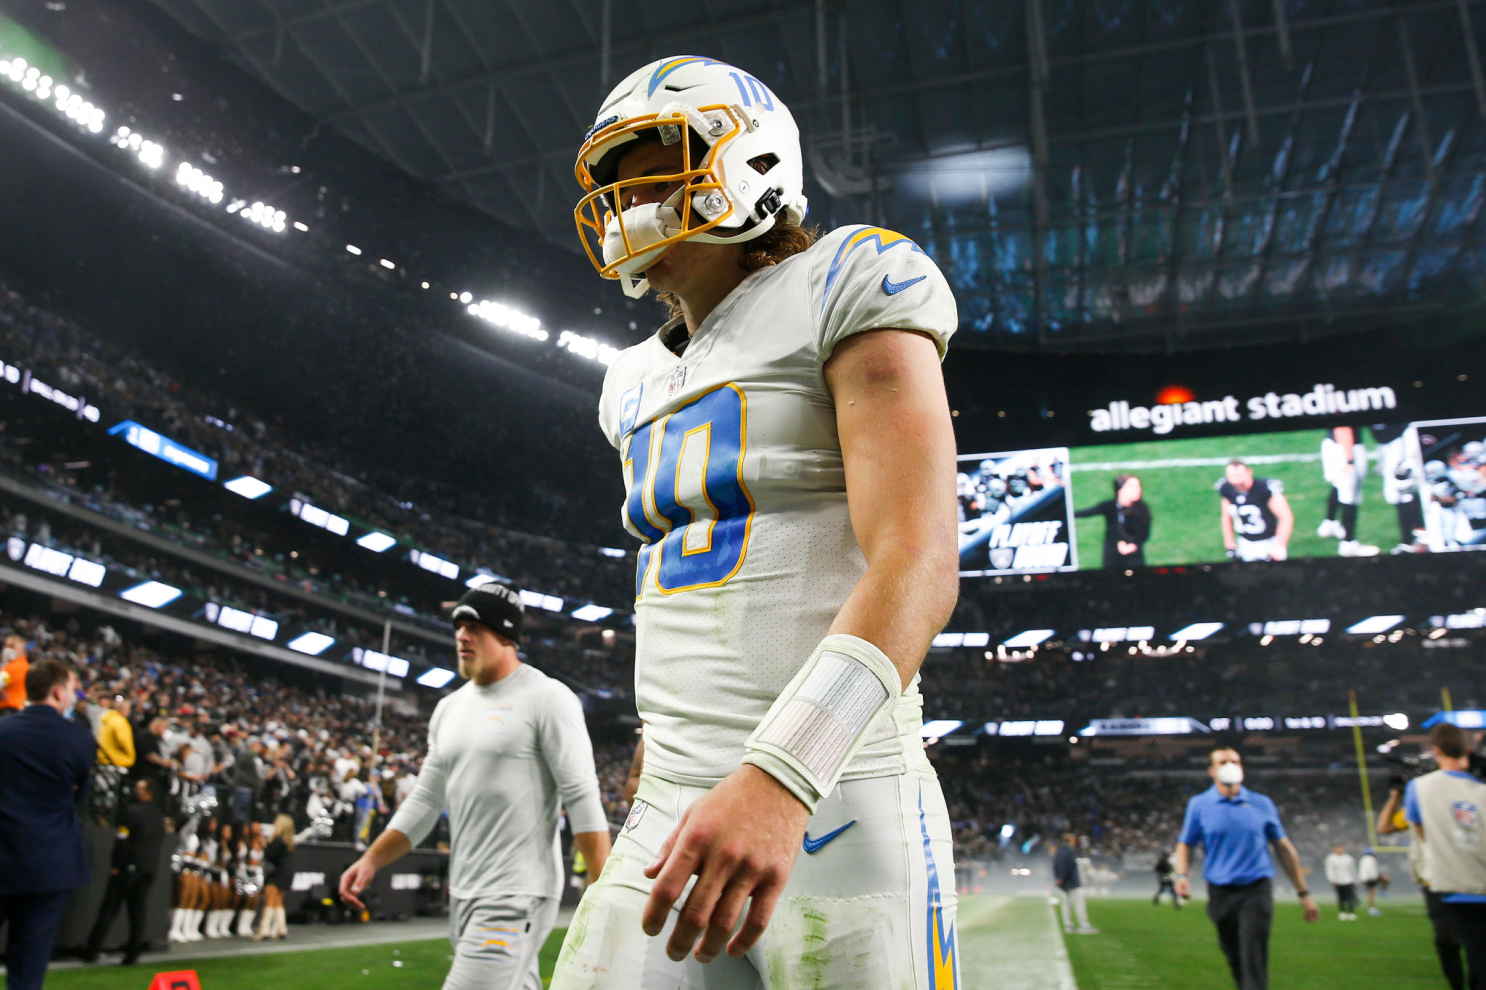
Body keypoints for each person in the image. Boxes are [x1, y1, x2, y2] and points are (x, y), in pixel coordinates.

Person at [554, 55, 961, 990]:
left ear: (753, 162)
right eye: (613, 180)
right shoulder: (628, 382)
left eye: (654, 162)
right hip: (671, 804)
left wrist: (783, 777)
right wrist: (656, 767)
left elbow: (918, 562)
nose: (626, 197)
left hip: (836, 797)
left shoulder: (852, 277)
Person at [340, 582, 611, 989]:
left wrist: (603, 893)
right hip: (464, 892)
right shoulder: (449, 708)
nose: (461, 636)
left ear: (506, 636)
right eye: (458, 627)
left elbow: (582, 797)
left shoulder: (548, 698)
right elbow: (426, 801)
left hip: (516, 893)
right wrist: (371, 860)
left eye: (474, 627)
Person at [1173, 748, 1318, 990]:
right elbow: (1185, 843)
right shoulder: (1199, 805)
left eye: (1234, 761)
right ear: (1212, 770)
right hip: (1220, 891)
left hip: (1256, 888)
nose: (1229, 765)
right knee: (1234, 957)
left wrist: (1304, 893)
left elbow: (1283, 848)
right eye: (1223, 762)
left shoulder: (1261, 804)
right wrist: (1181, 875)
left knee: (1253, 954)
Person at [0, 658, 96, 990]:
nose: (74, 695)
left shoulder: (4, 730)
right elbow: (79, 795)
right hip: (49, 865)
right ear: (58, 692)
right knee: (27, 970)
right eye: (72, 688)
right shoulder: (79, 739)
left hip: (3, 855)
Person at [1406, 723, 1486, 989]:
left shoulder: (1419, 787)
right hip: (1481, 882)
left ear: (1435, 749)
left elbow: (1422, 834)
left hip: (1449, 884)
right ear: (1467, 749)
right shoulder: (1482, 790)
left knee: (1452, 946)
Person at [1380, 777, 1463, 990]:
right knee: (1446, 940)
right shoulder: (1420, 806)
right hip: (1435, 880)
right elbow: (1385, 827)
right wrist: (1395, 797)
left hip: (1466, 878)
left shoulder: (1464, 801)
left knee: (1471, 939)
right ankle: (1458, 984)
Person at [82, 778, 166, 965]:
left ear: (148, 792)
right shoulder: (159, 816)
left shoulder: (133, 813)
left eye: (139, 788)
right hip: (148, 868)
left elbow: (123, 841)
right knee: (138, 913)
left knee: (109, 909)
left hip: (128, 868)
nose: (136, 791)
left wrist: (116, 865)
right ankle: (133, 954)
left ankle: (92, 950)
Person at [1316, 425, 1380, 556]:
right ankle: (1348, 544)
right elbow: (1343, 427)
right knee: (1350, 497)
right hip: (1346, 447)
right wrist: (1349, 459)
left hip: (1334, 444)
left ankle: (1329, 524)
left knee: (1339, 486)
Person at [1217, 461, 1294, 563]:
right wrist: (1229, 542)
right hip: (1245, 543)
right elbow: (1226, 516)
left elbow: (1285, 517)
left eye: (1239, 474)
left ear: (1249, 472)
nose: (1236, 478)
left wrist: (1279, 545)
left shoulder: (1264, 488)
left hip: (1269, 541)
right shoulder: (1226, 489)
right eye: (1232, 475)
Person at [1075, 474, 1151, 568]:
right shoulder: (1109, 506)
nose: (1138, 489)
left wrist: (1132, 545)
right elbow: (1086, 513)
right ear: (1120, 490)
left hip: (1134, 558)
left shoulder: (1142, 509)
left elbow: (1144, 532)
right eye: (1132, 487)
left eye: (1138, 486)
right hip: (1112, 556)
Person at [256, 814, 298, 940]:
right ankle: (281, 929)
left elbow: (270, 855)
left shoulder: (278, 840)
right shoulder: (288, 841)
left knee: (270, 899)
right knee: (278, 901)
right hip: (287, 872)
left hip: (277, 872)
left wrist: (264, 845)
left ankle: (264, 930)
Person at [1050, 834, 1096, 934]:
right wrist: (1062, 878)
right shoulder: (1068, 851)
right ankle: (1084, 926)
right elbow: (1064, 866)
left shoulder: (1059, 851)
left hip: (1064, 881)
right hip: (1071, 881)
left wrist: (1058, 878)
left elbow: (1055, 866)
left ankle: (1068, 926)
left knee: (1067, 904)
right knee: (1079, 903)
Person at [1323, 844, 1359, 920]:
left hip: (1348, 880)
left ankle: (1351, 912)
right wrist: (1332, 879)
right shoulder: (1331, 858)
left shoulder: (1348, 858)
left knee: (1350, 897)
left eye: (1341, 848)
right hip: (1338, 881)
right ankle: (1342, 912)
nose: (1339, 850)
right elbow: (1329, 870)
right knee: (1341, 897)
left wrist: (1355, 880)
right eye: (1338, 848)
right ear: (1334, 849)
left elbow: (1353, 870)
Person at [1358, 847, 1383, 916]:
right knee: (1371, 893)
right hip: (1370, 878)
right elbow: (1372, 869)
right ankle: (1383, 891)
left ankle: (1372, 908)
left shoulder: (1363, 859)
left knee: (1371, 893)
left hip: (1364, 878)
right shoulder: (1372, 859)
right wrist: (1376, 877)